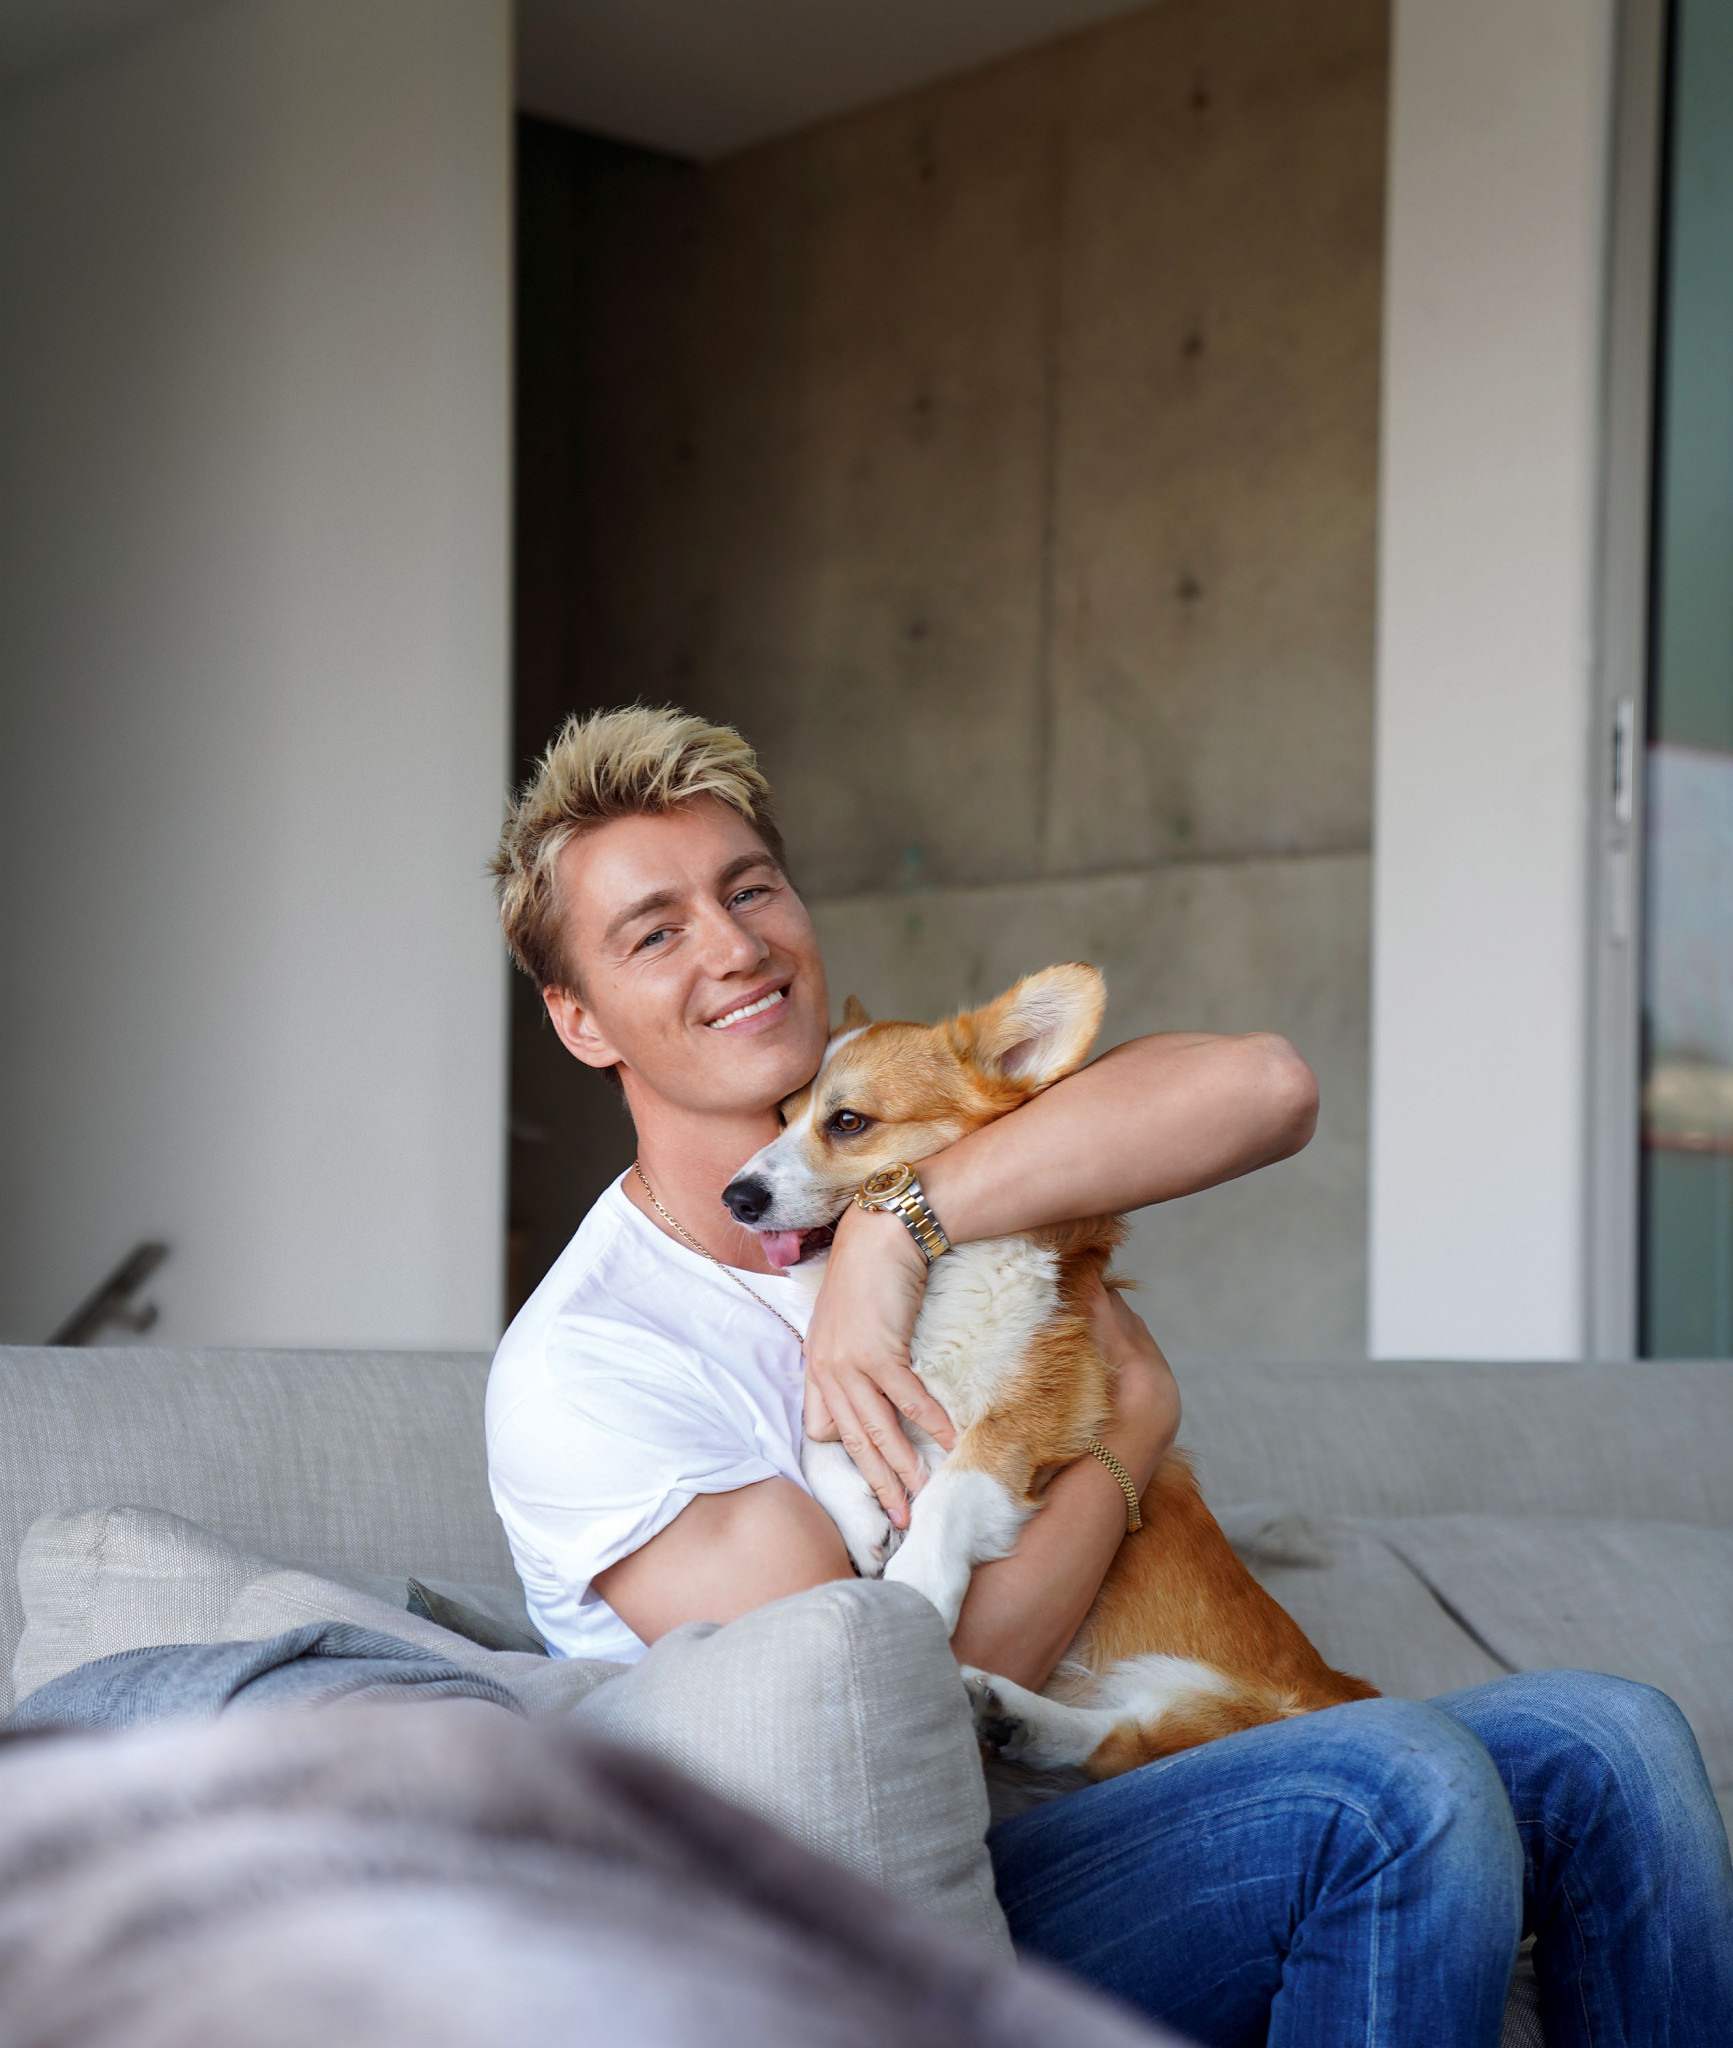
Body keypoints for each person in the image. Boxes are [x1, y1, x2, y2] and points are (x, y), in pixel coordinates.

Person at [486, 706, 1733, 2048]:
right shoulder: (592, 1365)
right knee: (1394, 1786)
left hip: (1078, 1806)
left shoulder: (902, 1149)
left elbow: (1262, 1085)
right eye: (655, 932)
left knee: (1613, 1739)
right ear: (580, 1021)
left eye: (750, 889)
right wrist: (1130, 1426)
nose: (734, 946)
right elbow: (896, 1731)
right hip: (862, 1920)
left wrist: (894, 1232)